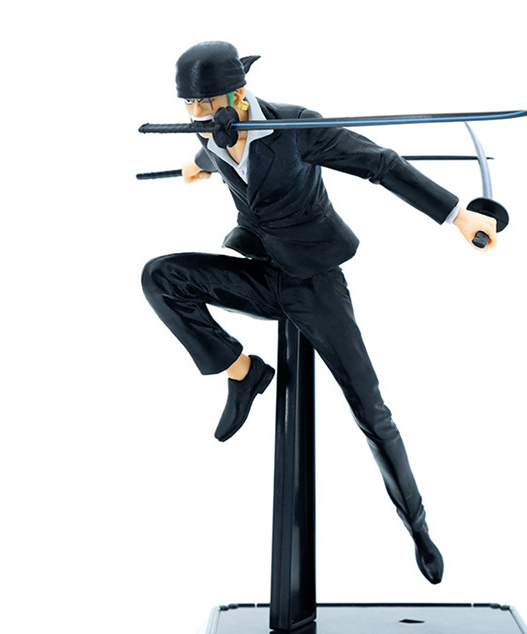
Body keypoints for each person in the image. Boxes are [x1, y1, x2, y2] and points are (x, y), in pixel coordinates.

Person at [142, 41, 498, 585]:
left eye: (206, 102)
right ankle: (242, 371)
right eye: (188, 105)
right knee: (161, 276)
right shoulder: (212, 132)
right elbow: (218, 155)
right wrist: (199, 163)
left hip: (313, 282)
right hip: (262, 274)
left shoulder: (297, 127)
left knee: (371, 411)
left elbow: (380, 163)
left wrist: (457, 215)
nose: (196, 114)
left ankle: (419, 530)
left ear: (239, 94)